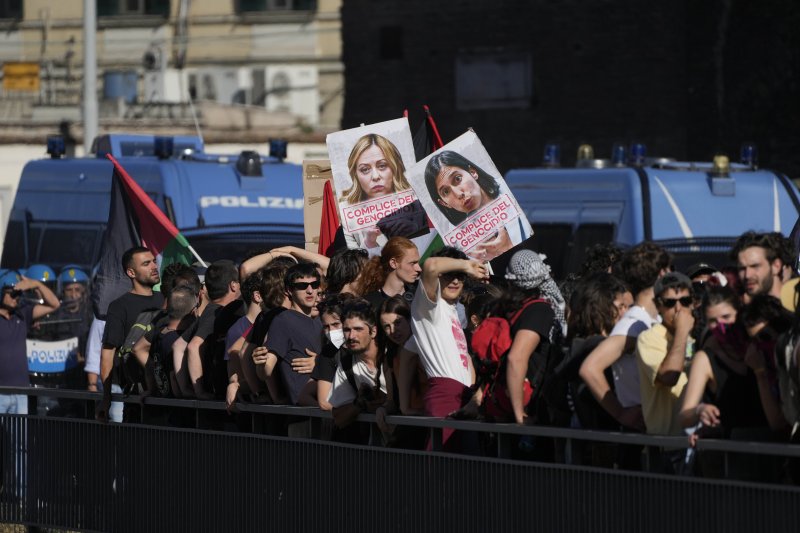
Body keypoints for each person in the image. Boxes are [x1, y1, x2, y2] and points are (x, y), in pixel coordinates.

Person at [579, 242, 671, 431]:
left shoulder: (651, 317)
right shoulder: (632, 324)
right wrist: (620, 413)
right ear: (662, 273)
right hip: (641, 429)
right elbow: (590, 368)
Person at [410, 246, 488, 450]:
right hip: (444, 396)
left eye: (460, 277)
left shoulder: (453, 310)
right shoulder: (428, 305)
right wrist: (466, 265)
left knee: (466, 474)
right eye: (449, 275)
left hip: (464, 398)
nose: (455, 281)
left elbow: (463, 358)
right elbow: (430, 264)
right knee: (442, 473)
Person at [424, 150, 530, 260]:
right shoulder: (458, 241)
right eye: (446, 191)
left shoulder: (512, 189)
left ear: (472, 172)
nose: (458, 194)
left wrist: (509, 247)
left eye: (457, 179)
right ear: (444, 203)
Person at [97, 247, 164, 422]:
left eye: (154, 261)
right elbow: (108, 354)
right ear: (131, 272)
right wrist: (106, 399)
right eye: (146, 263)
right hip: (136, 398)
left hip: (167, 396)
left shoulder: (166, 300)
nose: (154, 267)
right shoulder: (119, 307)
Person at [635, 272, 694, 436]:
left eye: (685, 301)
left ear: (693, 303)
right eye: (670, 303)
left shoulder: (700, 333)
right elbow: (669, 377)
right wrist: (682, 331)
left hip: (697, 440)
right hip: (666, 444)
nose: (678, 309)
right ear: (658, 305)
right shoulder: (648, 339)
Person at [0, 270, 60, 413]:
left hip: (21, 391)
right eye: (12, 293)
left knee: (19, 436)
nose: (16, 297)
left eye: (19, 294)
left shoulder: (23, 314)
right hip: (0, 391)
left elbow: (54, 304)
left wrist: (36, 284)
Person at [263, 262, 323, 405]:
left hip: (327, 405)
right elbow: (266, 370)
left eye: (314, 285)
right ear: (289, 291)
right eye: (302, 286)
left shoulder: (322, 320)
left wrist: (320, 363)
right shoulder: (283, 321)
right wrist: (260, 365)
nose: (310, 291)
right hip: (302, 413)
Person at [340, 133, 412, 205]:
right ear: (355, 175)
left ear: (395, 167)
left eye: (382, 166)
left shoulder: (416, 201)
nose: (375, 176)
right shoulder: (345, 209)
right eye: (365, 169)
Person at [358, 237, 421, 310]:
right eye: (412, 263)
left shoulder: (420, 292)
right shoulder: (369, 304)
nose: (419, 269)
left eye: (417, 263)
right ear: (393, 263)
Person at [730, 231, 789, 301]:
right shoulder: (741, 310)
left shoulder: (795, 307)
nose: (747, 275)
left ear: (776, 266)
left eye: (755, 266)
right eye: (742, 269)